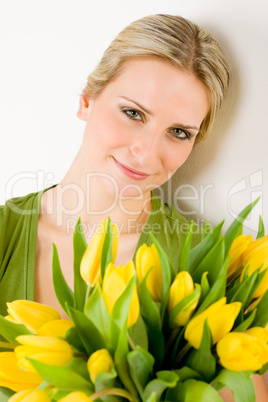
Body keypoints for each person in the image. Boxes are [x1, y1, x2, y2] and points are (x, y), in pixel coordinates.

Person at [0, 14, 267, 400]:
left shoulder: (205, 266)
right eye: (133, 113)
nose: (145, 153)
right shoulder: (7, 233)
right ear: (87, 100)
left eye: (178, 132)